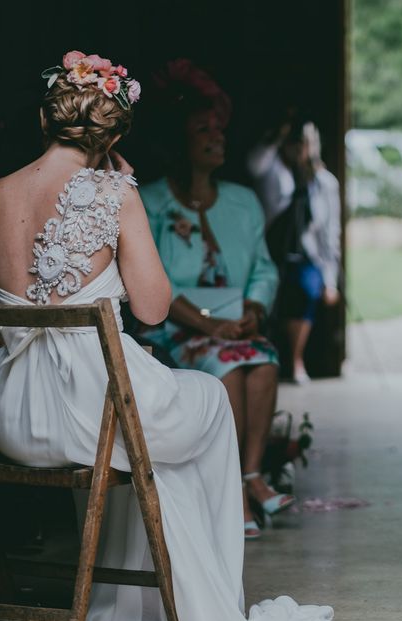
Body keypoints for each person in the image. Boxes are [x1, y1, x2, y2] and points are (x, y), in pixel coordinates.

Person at [0, 51, 332, 621]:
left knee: (149, 437)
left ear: (45, 121)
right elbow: (155, 309)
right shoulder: (116, 191)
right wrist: (126, 195)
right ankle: (200, 604)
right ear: (113, 136)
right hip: (96, 411)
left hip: (16, 416)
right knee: (209, 400)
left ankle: (128, 602)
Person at [138, 59, 291, 540]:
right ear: (181, 143)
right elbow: (156, 279)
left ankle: (251, 477)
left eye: (219, 128)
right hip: (178, 330)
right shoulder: (152, 201)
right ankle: (235, 495)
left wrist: (252, 311)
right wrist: (210, 326)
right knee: (228, 364)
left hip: (232, 328)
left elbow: (263, 267)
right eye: (202, 129)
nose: (216, 136)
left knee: (263, 361)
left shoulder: (244, 201)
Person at [247, 118, 342, 384]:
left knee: (308, 289)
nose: (297, 149)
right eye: (293, 142)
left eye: (303, 143)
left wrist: (330, 280)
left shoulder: (324, 183)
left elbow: (329, 233)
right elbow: (253, 165)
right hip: (270, 250)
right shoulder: (273, 170)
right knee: (266, 298)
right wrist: (279, 134)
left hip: (306, 253)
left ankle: (296, 359)